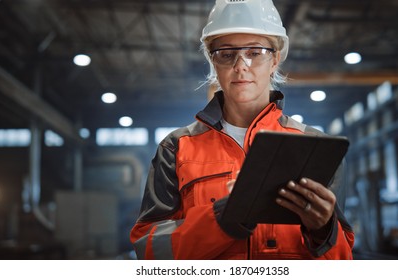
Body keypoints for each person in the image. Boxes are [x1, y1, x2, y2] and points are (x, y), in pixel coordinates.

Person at [130, 0, 354, 259]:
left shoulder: (316, 147)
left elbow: (344, 259)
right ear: (214, 63)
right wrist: (219, 221)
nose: (240, 65)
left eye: (255, 52)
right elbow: (149, 249)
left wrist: (323, 230)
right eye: (226, 54)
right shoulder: (177, 147)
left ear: (275, 59)